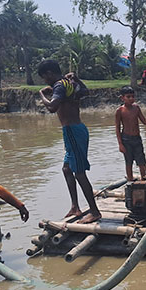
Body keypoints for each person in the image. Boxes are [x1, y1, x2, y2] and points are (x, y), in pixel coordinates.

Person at [38, 60, 102, 223]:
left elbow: (52, 108)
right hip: (74, 130)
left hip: (73, 131)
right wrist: (78, 79)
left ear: (49, 73)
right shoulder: (69, 83)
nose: (45, 81)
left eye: (44, 78)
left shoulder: (59, 85)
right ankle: (75, 206)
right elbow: (85, 92)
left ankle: (94, 212)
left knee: (79, 172)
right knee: (67, 169)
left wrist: (42, 95)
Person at [115, 86, 146, 181]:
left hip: (137, 138)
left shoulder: (136, 108)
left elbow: (145, 121)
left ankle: (143, 178)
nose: (131, 99)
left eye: (133, 96)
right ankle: (130, 180)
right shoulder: (120, 111)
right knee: (128, 161)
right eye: (128, 97)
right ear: (122, 98)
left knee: (141, 160)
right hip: (126, 139)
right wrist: (120, 144)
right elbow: (117, 128)